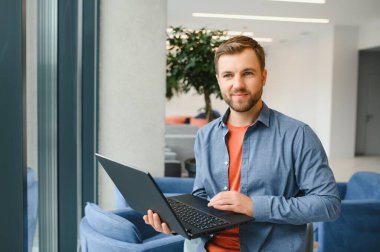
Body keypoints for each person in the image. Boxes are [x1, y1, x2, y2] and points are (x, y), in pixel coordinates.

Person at [143, 36, 341, 252]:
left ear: (263, 77)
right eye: (228, 75)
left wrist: (254, 206)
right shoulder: (205, 135)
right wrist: (176, 223)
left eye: (248, 73)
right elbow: (201, 196)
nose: (238, 84)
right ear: (219, 80)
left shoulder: (298, 135)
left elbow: (328, 204)